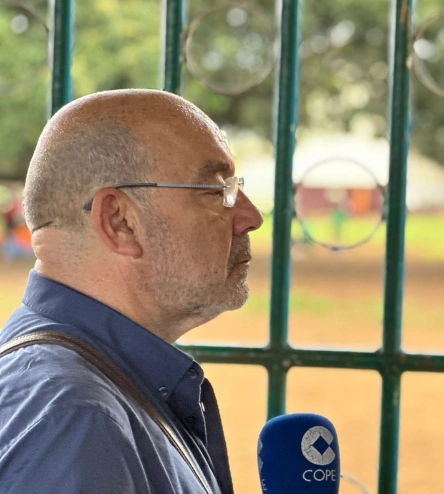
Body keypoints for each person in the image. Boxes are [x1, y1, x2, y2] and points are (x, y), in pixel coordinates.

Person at [0, 89, 264, 493]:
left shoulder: (89, 390)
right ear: (120, 221)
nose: (250, 216)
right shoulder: (75, 419)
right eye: (215, 191)